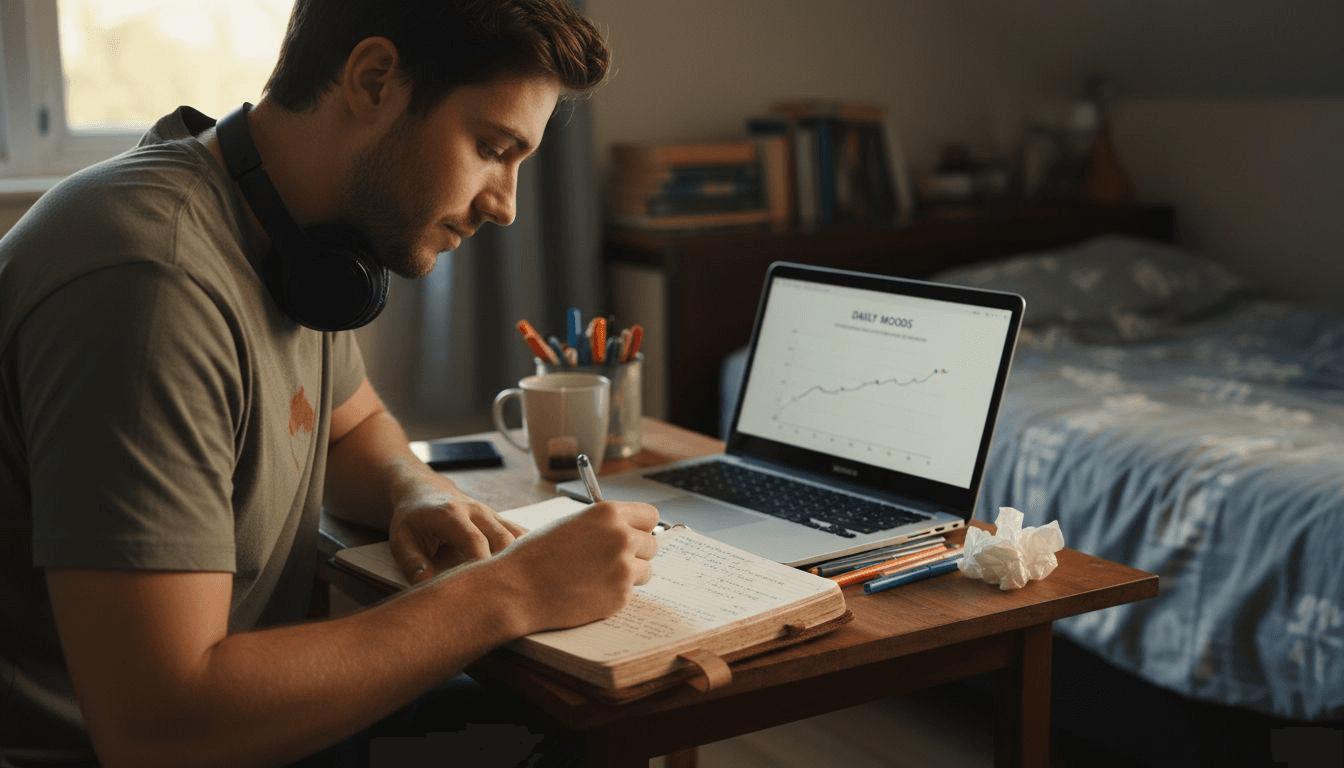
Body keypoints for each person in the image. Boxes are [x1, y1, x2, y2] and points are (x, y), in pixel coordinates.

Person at [0, 1, 657, 766]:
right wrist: (509, 591)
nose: (505, 206)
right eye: (491, 147)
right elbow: (157, 728)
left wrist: (416, 491)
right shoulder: (152, 284)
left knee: (589, 725)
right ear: (374, 79)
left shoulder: (297, 240)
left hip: (236, 726)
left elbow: (351, 425)